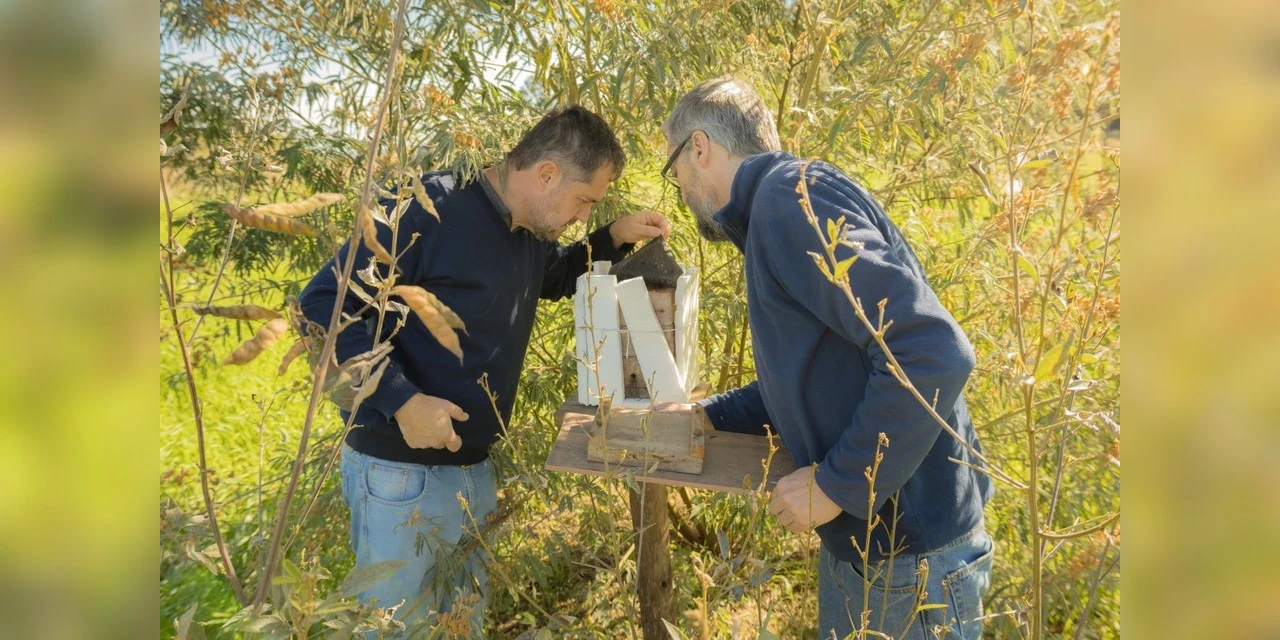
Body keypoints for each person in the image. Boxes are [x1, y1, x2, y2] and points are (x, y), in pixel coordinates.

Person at [298, 105, 670, 634]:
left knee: (460, 628)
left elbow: (553, 277)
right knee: (396, 629)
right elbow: (322, 308)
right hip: (400, 479)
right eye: (586, 201)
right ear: (546, 174)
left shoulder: (527, 232)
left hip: (472, 475)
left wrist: (611, 236)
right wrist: (403, 400)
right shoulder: (426, 209)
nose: (583, 215)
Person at [656, 78, 994, 639]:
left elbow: (931, 351)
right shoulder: (780, 206)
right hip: (873, 552)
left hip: (911, 557)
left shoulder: (788, 203)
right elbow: (814, 373)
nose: (683, 191)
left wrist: (838, 485)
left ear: (699, 148)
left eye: (676, 172)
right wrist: (708, 415)